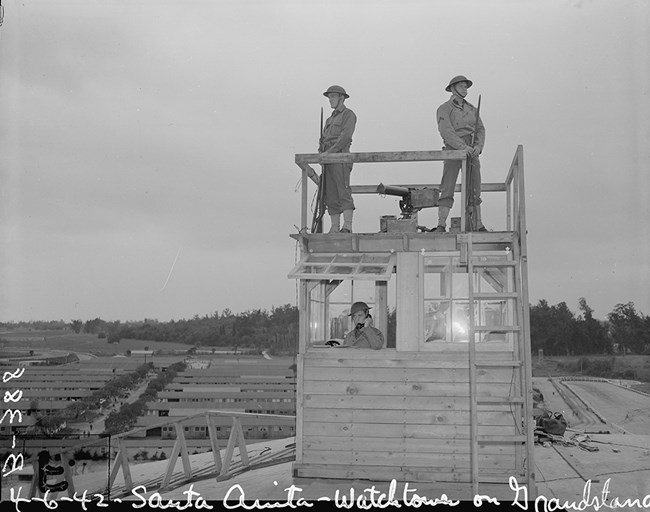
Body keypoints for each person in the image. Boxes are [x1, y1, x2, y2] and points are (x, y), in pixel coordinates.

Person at [433, 75, 487, 232]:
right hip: (453, 150)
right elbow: (446, 131)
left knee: (474, 188)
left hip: (472, 152)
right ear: (453, 88)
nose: (465, 89)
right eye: (462, 86)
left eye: (466, 87)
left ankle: (478, 224)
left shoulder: (472, 110)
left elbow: (481, 130)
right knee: (447, 186)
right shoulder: (444, 109)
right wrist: (462, 147)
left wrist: (477, 147)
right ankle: (441, 224)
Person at [319, 85, 357, 233]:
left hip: (340, 156)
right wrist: (321, 153)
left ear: (341, 98)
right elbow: (323, 140)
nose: (330, 100)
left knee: (343, 191)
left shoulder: (348, 114)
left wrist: (330, 152)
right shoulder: (329, 120)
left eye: (333, 97)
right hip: (328, 159)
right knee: (331, 194)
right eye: (329, 97)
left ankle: (347, 225)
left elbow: (345, 136)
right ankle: (334, 226)